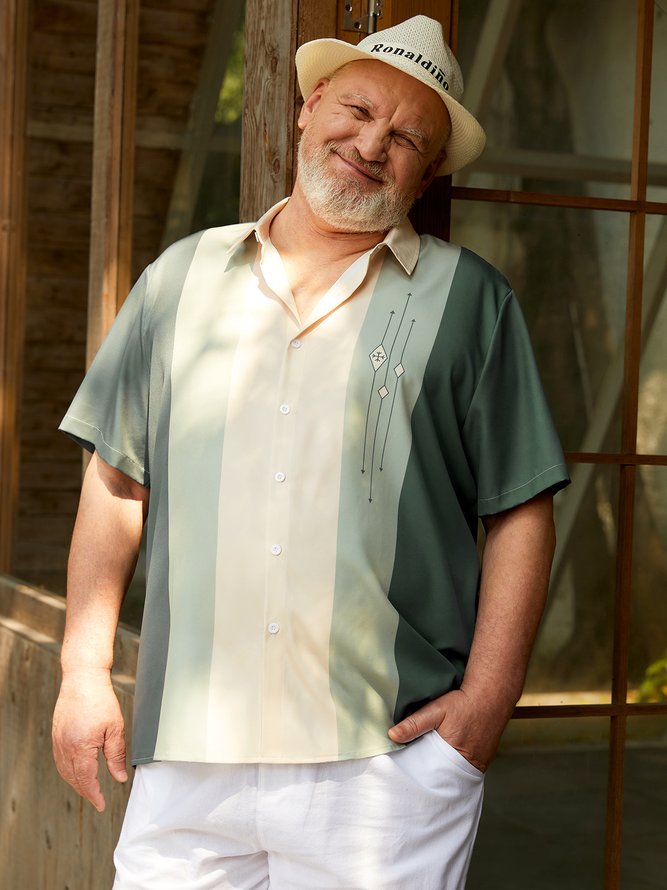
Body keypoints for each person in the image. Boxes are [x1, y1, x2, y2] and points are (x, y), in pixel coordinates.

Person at [52, 14, 569, 890]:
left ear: (427, 171)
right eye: (357, 111)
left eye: (405, 137)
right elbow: (116, 481)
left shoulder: (472, 303)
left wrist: (485, 704)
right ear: (308, 105)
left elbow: (519, 507)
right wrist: (81, 670)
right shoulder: (178, 280)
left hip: (383, 769)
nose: (370, 145)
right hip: (187, 756)